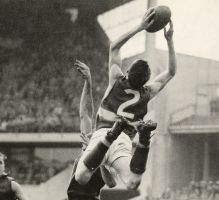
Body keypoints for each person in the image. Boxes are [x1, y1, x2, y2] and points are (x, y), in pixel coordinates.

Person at [75, 8, 176, 190]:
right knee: (132, 183)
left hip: (103, 135)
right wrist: (169, 41)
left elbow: (114, 46)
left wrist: (140, 27)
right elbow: (171, 72)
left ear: (127, 73)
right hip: (124, 142)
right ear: (146, 80)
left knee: (81, 177)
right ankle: (144, 142)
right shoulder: (148, 92)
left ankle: (114, 136)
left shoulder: (116, 79)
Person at [67, 60, 117, 200]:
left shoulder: (111, 149)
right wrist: (88, 81)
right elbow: (85, 113)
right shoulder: (91, 135)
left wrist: (99, 159)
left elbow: (112, 183)